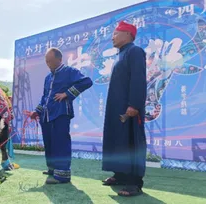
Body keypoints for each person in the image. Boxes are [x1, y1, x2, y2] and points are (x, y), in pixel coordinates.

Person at [29, 47, 93, 184]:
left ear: (59, 59)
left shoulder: (69, 71)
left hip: (61, 113)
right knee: (49, 142)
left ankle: (62, 175)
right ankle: (52, 169)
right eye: (46, 62)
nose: (48, 64)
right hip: (46, 115)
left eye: (50, 61)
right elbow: (44, 97)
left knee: (60, 142)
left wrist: (67, 94)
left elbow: (87, 81)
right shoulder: (48, 77)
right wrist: (37, 111)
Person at [101, 21, 147, 197]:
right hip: (116, 108)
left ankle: (134, 183)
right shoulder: (120, 55)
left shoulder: (134, 51)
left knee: (130, 143)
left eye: (115, 33)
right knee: (117, 141)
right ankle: (119, 174)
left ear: (128, 34)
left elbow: (138, 79)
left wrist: (134, 104)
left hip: (129, 109)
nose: (112, 37)